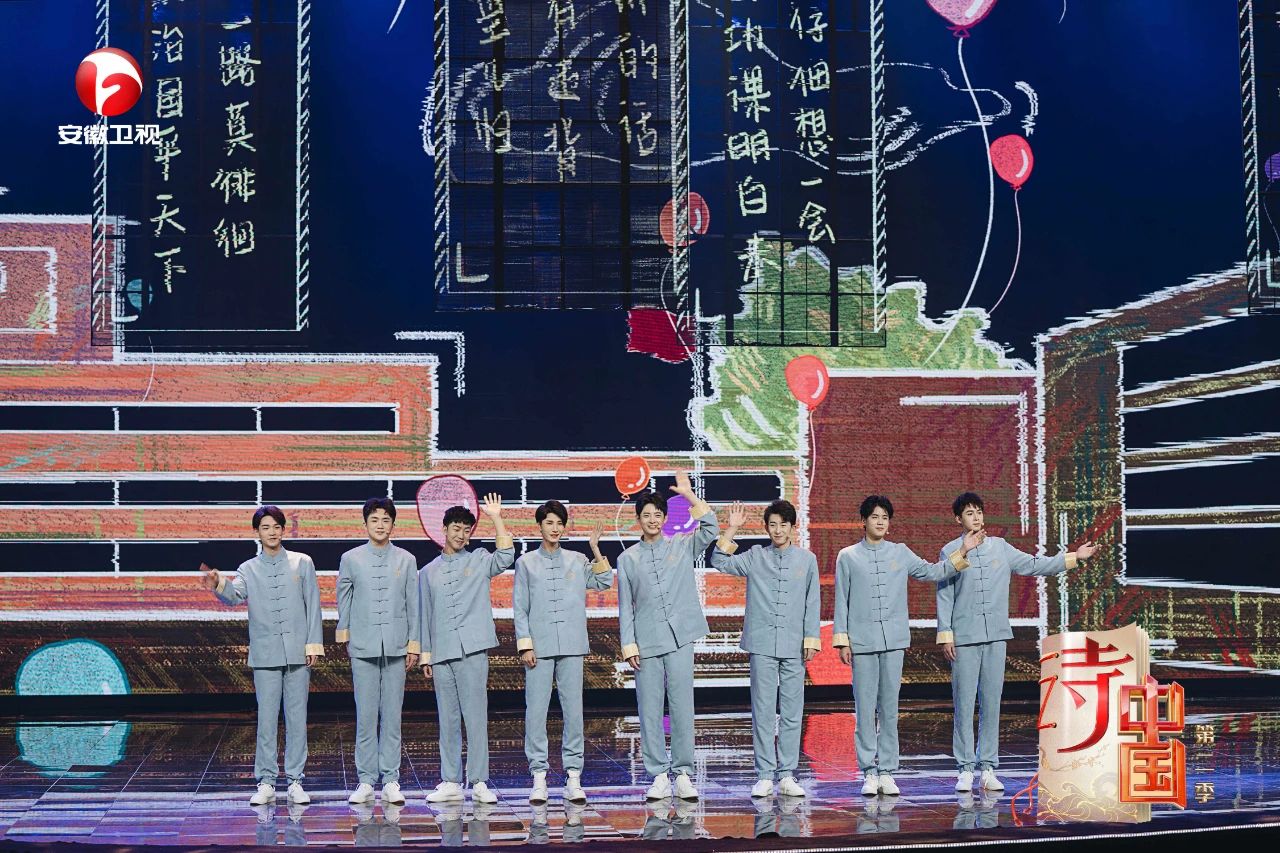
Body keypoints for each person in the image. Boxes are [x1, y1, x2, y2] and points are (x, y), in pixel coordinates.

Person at [937, 491, 1097, 792]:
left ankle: (987, 767)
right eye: (969, 513)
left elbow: (1036, 564)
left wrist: (1074, 557)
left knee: (991, 703)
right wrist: (946, 634)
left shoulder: (1000, 547)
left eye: (979, 511)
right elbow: (944, 594)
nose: (976, 517)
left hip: (996, 636)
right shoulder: (950, 552)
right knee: (964, 704)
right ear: (959, 519)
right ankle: (965, 769)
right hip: (965, 637)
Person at [832, 495, 982, 796]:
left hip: (894, 641)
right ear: (863, 521)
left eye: (884, 518)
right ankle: (868, 772)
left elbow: (933, 571)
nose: (880, 522)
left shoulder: (900, 552)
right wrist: (842, 640)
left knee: (889, 708)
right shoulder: (847, 556)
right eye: (874, 517)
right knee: (865, 709)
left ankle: (887, 771)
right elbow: (841, 601)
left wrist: (963, 551)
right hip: (862, 642)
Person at [199, 505, 323, 806]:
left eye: (276, 527)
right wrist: (218, 583)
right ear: (257, 532)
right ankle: (266, 782)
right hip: (265, 654)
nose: (272, 532)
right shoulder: (248, 568)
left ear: (283, 530)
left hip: (297, 652)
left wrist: (313, 644)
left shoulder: (302, 562)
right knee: (267, 720)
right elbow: (235, 595)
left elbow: (313, 604)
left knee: (297, 719)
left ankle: (295, 781)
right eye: (265, 527)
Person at [618, 471, 719, 800]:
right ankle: (659, 774)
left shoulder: (681, 545)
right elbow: (625, 605)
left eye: (657, 514)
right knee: (649, 709)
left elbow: (711, 528)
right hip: (646, 641)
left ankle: (684, 772)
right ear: (638, 520)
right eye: (646, 515)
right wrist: (629, 644)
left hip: (679, 638)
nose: (652, 520)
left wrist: (689, 496)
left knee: (681, 706)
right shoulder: (627, 559)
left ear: (664, 519)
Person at [711, 499, 820, 798]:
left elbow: (812, 601)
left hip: (794, 644)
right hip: (761, 643)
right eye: (772, 525)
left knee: (792, 711)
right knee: (763, 710)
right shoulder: (755, 556)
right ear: (766, 527)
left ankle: (787, 774)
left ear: (792, 527)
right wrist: (732, 528)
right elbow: (719, 561)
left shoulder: (807, 560)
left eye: (783, 524)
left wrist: (811, 639)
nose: (778, 530)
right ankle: (764, 775)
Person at [418, 493, 515, 803]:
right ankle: (450, 780)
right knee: (447, 719)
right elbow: (424, 615)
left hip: (473, 649)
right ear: (444, 530)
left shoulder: (479, 559)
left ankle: (479, 781)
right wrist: (426, 656)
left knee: (475, 717)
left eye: (466, 530)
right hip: (442, 652)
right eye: (456, 528)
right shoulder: (427, 572)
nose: (460, 534)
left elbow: (506, 556)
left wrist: (496, 517)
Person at [514, 500, 611, 804]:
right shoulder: (526, 563)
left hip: (571, 644)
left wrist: (595, 548)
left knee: (573, 711)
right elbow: (520, 607)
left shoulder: (577, 560)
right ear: (539, 526)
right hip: (539, 647)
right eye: (549, 523)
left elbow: (604, 582)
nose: (555, 528)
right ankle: (539, 776)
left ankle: (573, 776)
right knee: (536, 711)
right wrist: (525, 644)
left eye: (559, 523)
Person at [336, 497, 419, 806]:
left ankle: (391, 780)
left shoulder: (406, 559)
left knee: (393, 717)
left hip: (396, 646)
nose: (380, 525)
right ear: (365, 524)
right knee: (366, 717)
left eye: (386, 520)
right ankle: (366, 780)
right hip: (363, 645)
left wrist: (414, 644)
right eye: (375, 520)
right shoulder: (351, 558)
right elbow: (343, 599)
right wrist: (346, 636)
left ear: (393, 525)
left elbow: (414, 604)